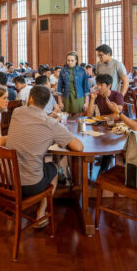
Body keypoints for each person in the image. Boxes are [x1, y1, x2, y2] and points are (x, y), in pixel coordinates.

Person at [6, 85, 84, 226]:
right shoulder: (51, 124)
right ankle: (40, 214)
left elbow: (33, 121)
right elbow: (79, 147)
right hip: (30, 185)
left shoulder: (16, 112)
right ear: (47, 102)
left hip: (6, 179)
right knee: (53, 168)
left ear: (30, 98)